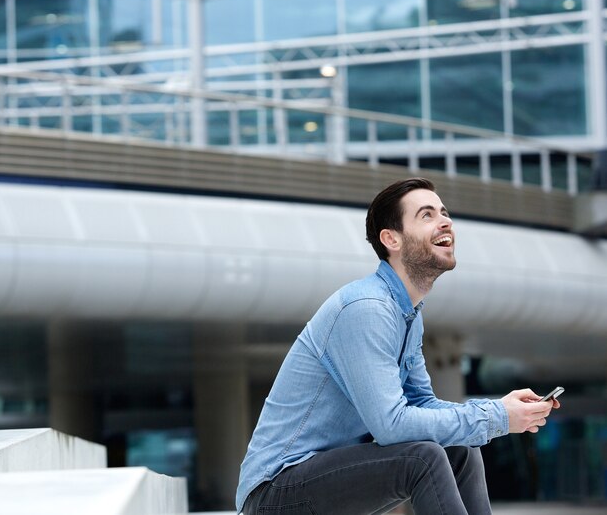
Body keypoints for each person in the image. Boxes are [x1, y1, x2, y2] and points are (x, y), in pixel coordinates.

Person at [236, 177, 559, 515]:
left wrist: (499, 409)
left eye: (444, 212)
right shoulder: (366, 308)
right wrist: (497, 418)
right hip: (275, 492)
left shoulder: (406, 315)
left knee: (458, 448)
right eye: (427, 215)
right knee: (423, 458)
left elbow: (422, 405)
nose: (445, 221)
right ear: (391, 239)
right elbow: (391, 426)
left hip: (320, 478)